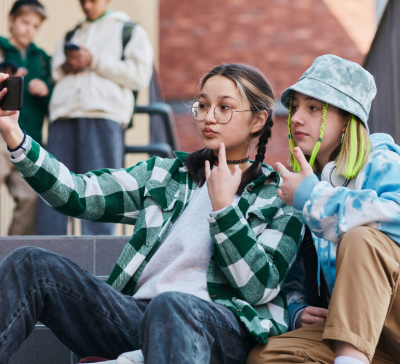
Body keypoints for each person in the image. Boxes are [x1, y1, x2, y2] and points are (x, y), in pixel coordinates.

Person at [0, 63, 304, 364]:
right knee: (28, 263)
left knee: (171, 305)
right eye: (202, 105)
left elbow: (258, 287)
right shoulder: (164, 175)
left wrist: (225, 209)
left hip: (219, 327)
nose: (208, 117)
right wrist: (14, 134)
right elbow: (77, 195)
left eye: (225, 108)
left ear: (258, 120)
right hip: (138, 319)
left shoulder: (280, 196)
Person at [247, 55, 400, 364]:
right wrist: (298, 310)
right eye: (295, 107)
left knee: (360, 238)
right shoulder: (304, 187)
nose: (297, 118)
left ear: (347, 119)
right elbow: (294, 279)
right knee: (265, 355)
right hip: (364, 336)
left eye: (314, 108)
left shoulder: (382, 161)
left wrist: (314, 196)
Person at [36, 0, 154, 236]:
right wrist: (70, 65)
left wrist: (95, 61)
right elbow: (55, 72)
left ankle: (97, 262)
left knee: (100, 192)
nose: (86, 6)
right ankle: (47, 253)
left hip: (103, 117)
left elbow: (139, 75)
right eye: (82, 0)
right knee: (52, 189)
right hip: (63, 117)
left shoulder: (130, 31)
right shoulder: (70, 34)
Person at [0, 0, 52, 236]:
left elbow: (54, 101)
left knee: (29, 198)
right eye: (24, 22)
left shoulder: (42, 59)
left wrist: (45, 90)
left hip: (27, 140)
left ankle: (9, 258)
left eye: (35, 25)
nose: (29, 29)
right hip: (0, 135)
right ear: (11, 21)